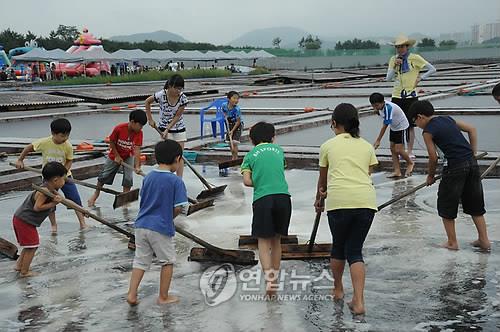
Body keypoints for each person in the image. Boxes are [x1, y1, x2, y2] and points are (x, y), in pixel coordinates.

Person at [314, 103, 378, 315]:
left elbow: (323, 180)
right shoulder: (367, 146)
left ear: (334, 123)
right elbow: (366, 173)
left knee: (339, 247)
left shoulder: (327, 146)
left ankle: (338, 289)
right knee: (355, 250)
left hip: (339, 202)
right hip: (366, 202)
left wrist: (319, 200)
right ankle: (359, 301)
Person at [409, 100, 491, 251]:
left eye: (415, 122)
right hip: (471, 164)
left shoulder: (427, 132)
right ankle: (484, 240)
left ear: (420, 117)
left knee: (447, 204)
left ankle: (452, 242)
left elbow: (433, 157)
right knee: (475, 204)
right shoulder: (447, 119)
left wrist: (430, 176)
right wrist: (472, 153)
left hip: (454, 168)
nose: (416, 125)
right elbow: (472, 129)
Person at [127, 140, 188, 305]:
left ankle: (132, 295)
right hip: (160, 227)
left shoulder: (149, 177)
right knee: (167, 261)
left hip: (141, 225)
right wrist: (169, 218)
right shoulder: (176, 182)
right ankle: (163, 297)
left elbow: (143, 201)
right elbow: (179, 208)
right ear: (177, 159)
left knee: (140, 261)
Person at [241, 122, 291, 298]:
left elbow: (247, 181)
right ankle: (275, 280)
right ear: (273, 137)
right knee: (276, 240)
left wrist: (260, 182)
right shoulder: (279, 151)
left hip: (263, 198)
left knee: (263, 242)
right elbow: (279, 171)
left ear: (252, 139)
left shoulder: (250, 155)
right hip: (283, 198)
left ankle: (269, 280)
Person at [16, 118, 87, 232]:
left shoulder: (67, 145)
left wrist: (63, 175)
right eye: (62, 136)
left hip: (64, 177)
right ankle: (54, 225)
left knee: (75, 199)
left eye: (67, 135)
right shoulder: (44, 142)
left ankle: (82, 223)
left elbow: (69, 160)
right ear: (53, 133)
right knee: (50, 201)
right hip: (49, 178)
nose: (65, 138)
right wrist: (20, 160)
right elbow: (28, 148)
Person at [386, 34, 436, 159]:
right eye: (397, 47)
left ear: (407, 47)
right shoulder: (394, 59)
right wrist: (395, 66)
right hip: (397, 95)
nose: (400, 49)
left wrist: (421, 78)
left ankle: (410, 150)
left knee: (410, 124)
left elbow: (432, 69)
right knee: (397, 123)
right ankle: (399, 149)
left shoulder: (415, 58)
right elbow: (388, 78)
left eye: (402, 46)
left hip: (411, 96)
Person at [13, 162, 66, 277]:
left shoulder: (50, 188)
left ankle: (19, 266)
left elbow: (63, 200)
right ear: (56, 180)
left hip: (21, 219)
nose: (64, 181)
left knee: (29, 246)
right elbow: (37, 207)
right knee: (32, 246)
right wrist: (53, 203)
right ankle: (25, 271)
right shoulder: (44, 192)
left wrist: (83, 211)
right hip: (25, 221)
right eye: (63, 179)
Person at [87, 110, 147, 207]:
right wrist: (117, 156)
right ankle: (95, 194)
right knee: (104, 175)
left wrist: (137, 166)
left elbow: (137, 149)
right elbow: (112, 142)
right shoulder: (119, 128)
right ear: (132, 122)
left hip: (128, 155)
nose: (141, 128)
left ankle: (125, 199)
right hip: (114, 155)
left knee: (128, 178)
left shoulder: (139, 133)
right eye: (140, 125)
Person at [145, 74, 188, 177]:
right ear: (170, 86)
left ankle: (179, 180)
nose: (178, 91)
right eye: (176, 88)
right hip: (162, 128)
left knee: (179, 156)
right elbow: (147, 102)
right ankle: (167, 177)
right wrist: (150, 119)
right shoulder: (161, 95)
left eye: (180, 88)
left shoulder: (183, 98)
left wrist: (168, 129)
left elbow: (177, 116)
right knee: (167, 156)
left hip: (178, 128)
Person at [370, 92, 414, 178]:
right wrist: (377, 110)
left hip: (401, 127)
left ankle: (410, 163)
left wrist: (378, 140)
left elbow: (385, 125)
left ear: (382, 102)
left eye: (377, 105)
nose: (375, 108)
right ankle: (397, 171)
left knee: (399, 150)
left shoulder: (388, 108)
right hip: (394, 127)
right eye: (373, 106)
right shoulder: (380, 107)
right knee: (392, 148)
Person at [222, 91, 243, 160]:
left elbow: (238, 121)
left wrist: (232, 130)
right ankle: (233, 157)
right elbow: (224, 114)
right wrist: (228, 129)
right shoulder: (224, 105)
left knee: (234, 142)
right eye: (234, 98)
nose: (236, 100)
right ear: (228, 98)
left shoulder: (237, 109)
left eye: (237, 99)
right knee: (229, 142)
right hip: (229, 124)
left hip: (237, 125)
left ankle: (235, 158)